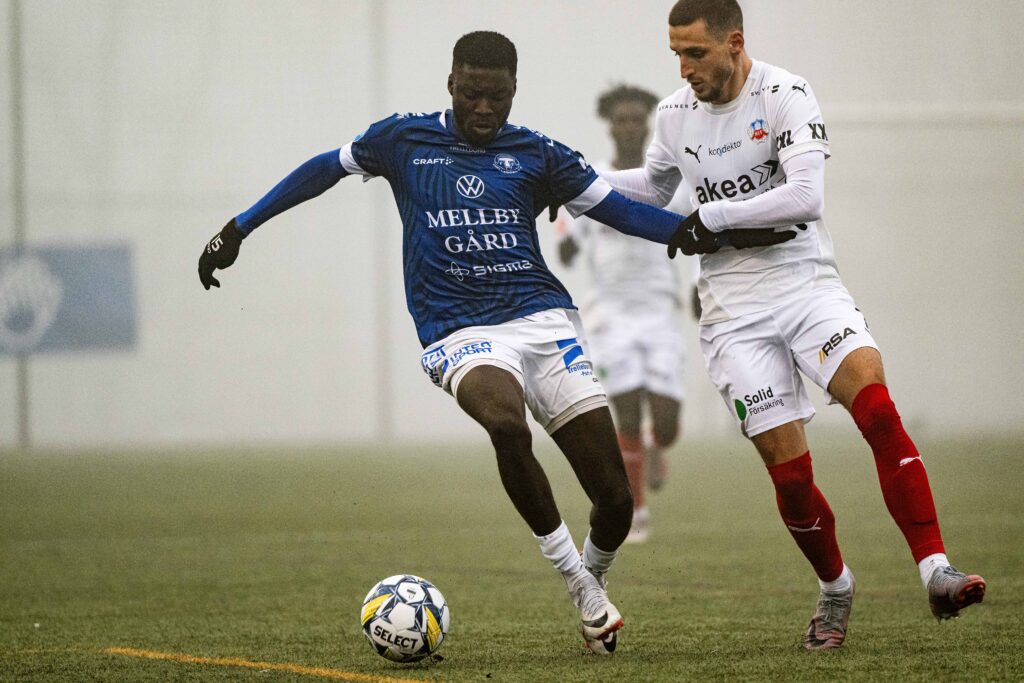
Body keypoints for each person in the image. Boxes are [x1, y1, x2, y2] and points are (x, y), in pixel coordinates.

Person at [197, 30, 791, 654]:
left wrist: (715, 232)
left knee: (615, 501)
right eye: (472, 94)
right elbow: (324, 168)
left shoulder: (539, 154)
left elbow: (620, 210)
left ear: (513, 91)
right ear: (451, 83)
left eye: (497, 97)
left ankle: (594, 576)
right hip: (458, 329)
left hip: (544, 323)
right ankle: (579, 586)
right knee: (507, 424)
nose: (484, 109)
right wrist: (239, 227)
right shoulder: (402, 139)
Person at [606, 0, 987, 650]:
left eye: (695, 53)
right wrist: (570, 178)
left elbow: (806, 196)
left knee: (877, 409)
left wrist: (715, 216)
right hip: (732, 311)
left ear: (734, 42)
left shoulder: (785, 93)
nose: (684, 68)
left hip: (806, 283)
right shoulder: (674, 114)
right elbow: (653, 186)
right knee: (791, 476)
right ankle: (835, 587)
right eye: (676, 54)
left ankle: (935, 570)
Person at [556, 84, 697, 543]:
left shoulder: (672, 182)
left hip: (660, 312)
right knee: (628, 412)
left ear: (649, 125)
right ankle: (636, 510)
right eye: (622, 120)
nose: (630, 127)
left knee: (667, 421)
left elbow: (697, 233)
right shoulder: (593, 180)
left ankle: (657, 447)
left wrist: (698, 284)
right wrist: (567, 243)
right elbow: (568, 234)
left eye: (638, 119)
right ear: (610, 126)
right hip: (609, 315)